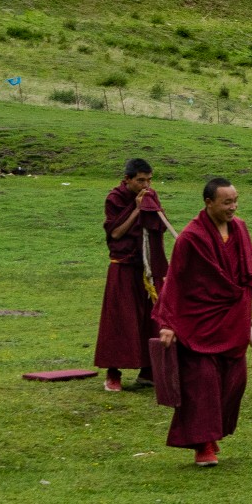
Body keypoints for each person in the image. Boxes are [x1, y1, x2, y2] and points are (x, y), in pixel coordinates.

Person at [153, 178, 252, 467]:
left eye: (235, 200)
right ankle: (203, 445)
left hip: (234, 319)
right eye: (226, 202)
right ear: (209, 203)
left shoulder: (239, 228)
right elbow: (175, 281)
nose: (233, 207)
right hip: (199, 322)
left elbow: (250, 268)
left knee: (234, 382)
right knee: (203, 385)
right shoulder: (190, 238)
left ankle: (211, 432)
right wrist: (167, 323)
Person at [96, 158, 168, 392]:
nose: (146, 185)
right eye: (140, 180)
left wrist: (149, 207)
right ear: (127, 179)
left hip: (147, 266)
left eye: (149, 180)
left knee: (152, 318)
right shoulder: (115, 198)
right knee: (120, 320)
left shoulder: (150, 195)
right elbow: (116, 233)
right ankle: (113, 373)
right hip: (123, 266)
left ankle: (147, 371)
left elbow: (160, 226)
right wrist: (137, 209)